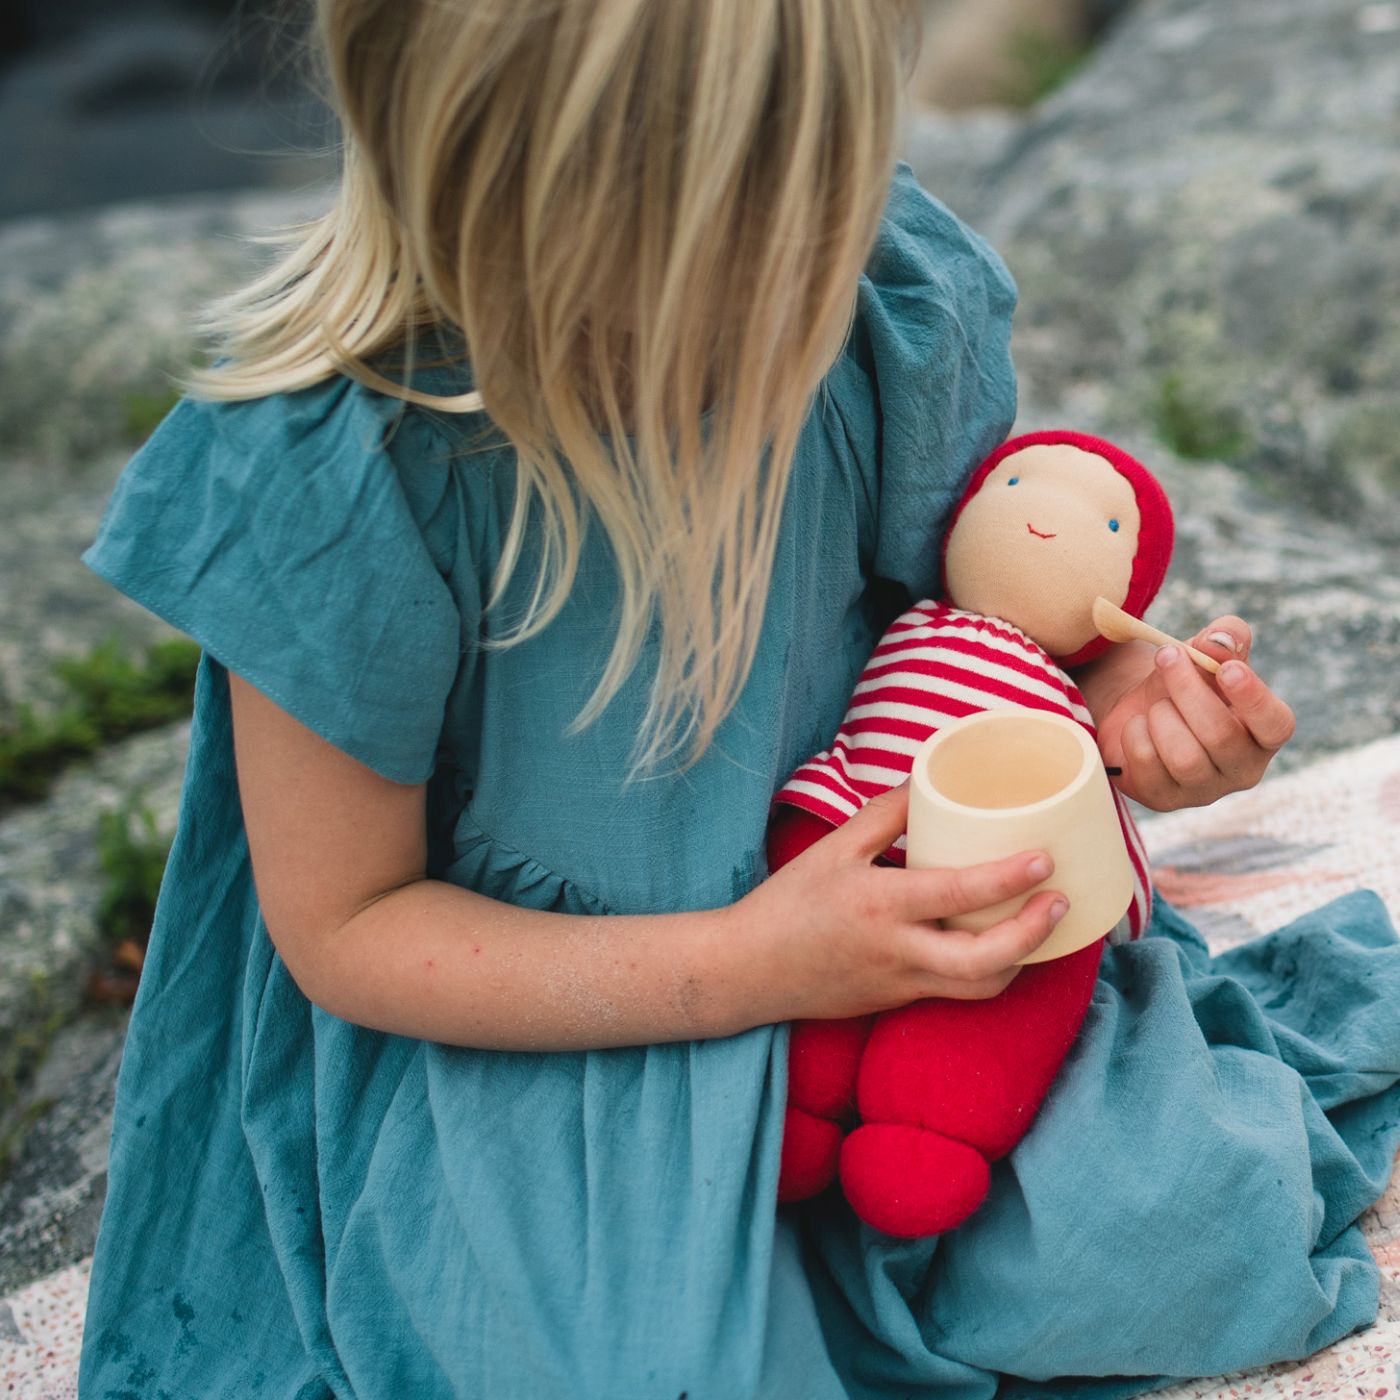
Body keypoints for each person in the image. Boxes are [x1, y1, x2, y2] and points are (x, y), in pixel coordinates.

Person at [77, 2, 1400, 1396]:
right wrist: (756, 966)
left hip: (888, 961)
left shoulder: (865, 294)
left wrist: (1117, 688)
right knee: (633, 1369)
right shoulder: (340, 466)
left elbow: (972, 592)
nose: (796, 282)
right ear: (484, 187)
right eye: (736, 239)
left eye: (820, 208)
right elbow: (347, 927)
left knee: (1174, 1232)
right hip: (550, 1022)